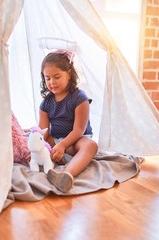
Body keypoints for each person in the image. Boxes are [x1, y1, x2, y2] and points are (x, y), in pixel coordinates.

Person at [39, 51, 98, 192]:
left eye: (57, 77)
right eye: (47, 78)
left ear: (69, 73)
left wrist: (63, 145)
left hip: (77, 139)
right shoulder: (45, 104)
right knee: (35, 138)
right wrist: (42, 145)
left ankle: (66, 175)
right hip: (57, 139)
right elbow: (44, 132)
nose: (52, 82)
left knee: (91, 146)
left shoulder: (79, 98)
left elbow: (79, 130)